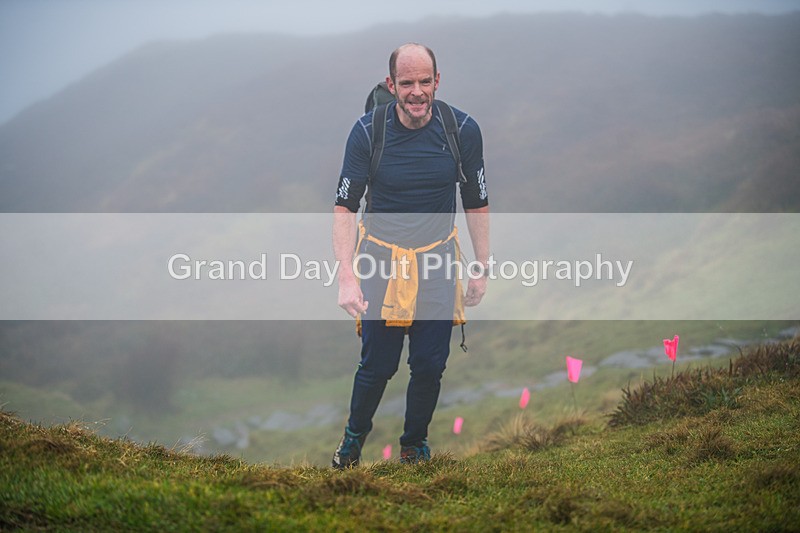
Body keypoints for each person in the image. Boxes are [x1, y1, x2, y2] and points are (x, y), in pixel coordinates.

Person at [331, 43, 490, 467]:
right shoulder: (368, 132)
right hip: (380, 261)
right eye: (407, 83)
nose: (416, 92)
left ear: (437, 81)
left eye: (424, 82)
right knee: (378, 366)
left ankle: (413, 446)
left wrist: (481, 266)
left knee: (429, 364)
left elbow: (477, 200)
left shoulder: (462, 130)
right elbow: (345, 208)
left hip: (438, 261)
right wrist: (346, 276)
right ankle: (352, 442)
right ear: (391, 85)